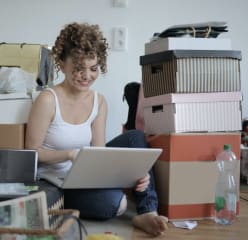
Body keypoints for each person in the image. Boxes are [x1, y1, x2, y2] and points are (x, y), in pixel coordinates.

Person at [25, 22, 168, 236]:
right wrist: (70, 154)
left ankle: (147, 211)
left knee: (136, 137)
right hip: (57, 182)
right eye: (78, 69)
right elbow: (32, 152)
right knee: (115, 204)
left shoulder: (98, 102)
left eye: (93, 69)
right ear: (62, 64)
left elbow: (100, 155)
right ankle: (119, 199)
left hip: (86, 176)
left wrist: (135, 174)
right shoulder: (47, 100)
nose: (86, 76)